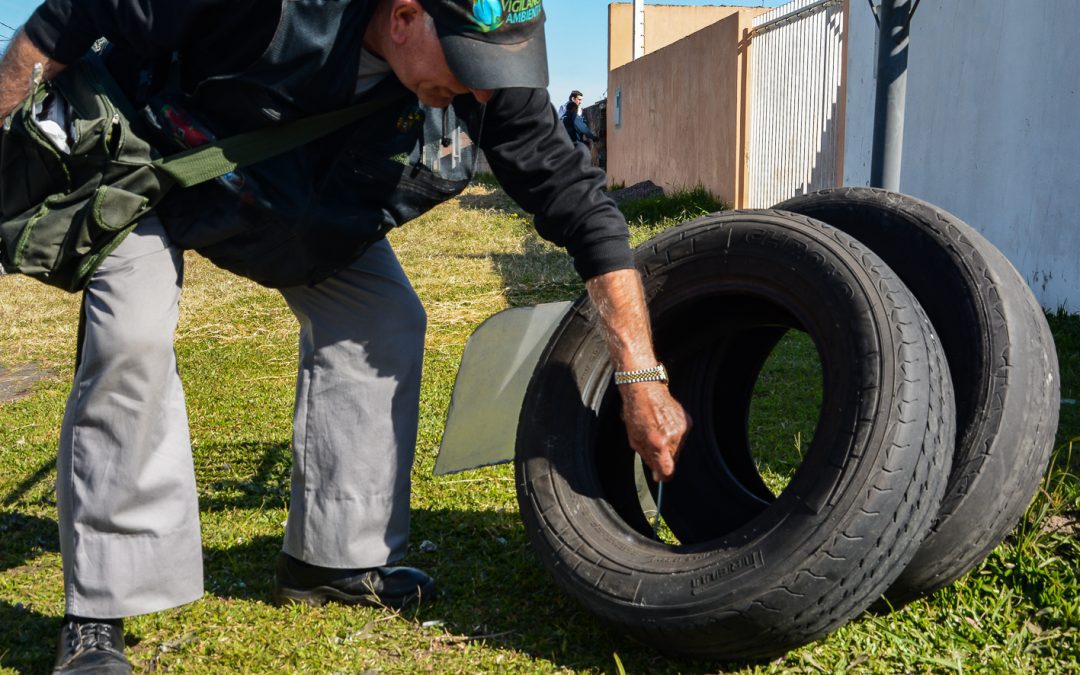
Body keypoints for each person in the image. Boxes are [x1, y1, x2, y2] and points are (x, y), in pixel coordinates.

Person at [0, 0, 691, 672]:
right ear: (404, 17)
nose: (480, 87)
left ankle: (330, 561)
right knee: (132, 339)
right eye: (468, 63)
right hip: (157, 168)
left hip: (297, 204)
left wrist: (639, 372)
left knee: (383, 320)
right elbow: (62, 22)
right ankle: (98, 611)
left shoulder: (487, 79)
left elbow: (581, 205)